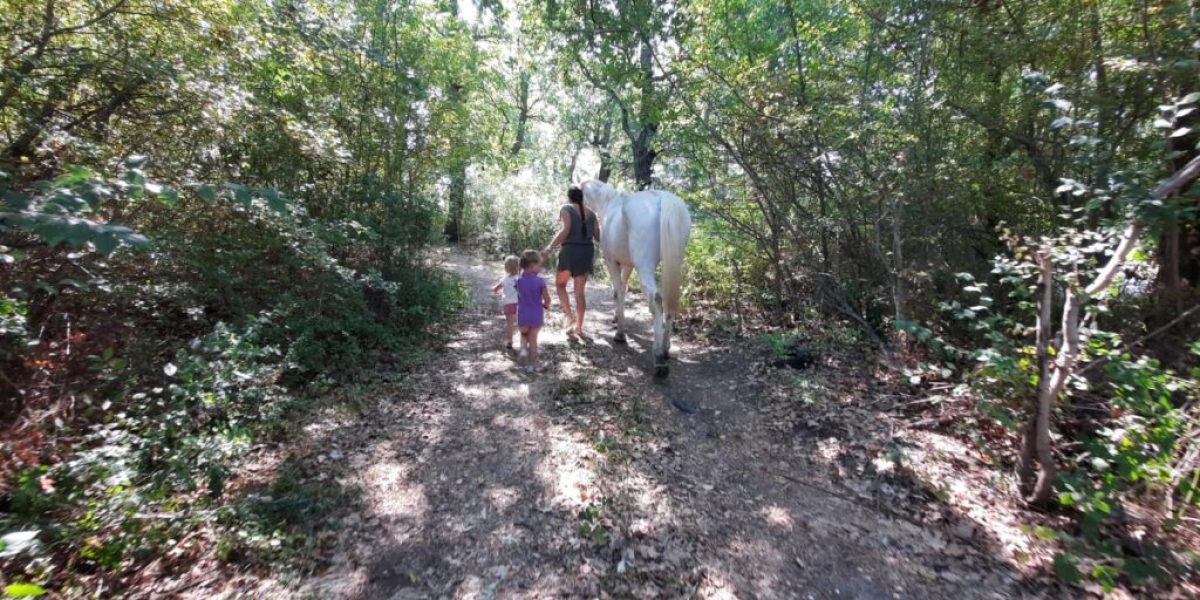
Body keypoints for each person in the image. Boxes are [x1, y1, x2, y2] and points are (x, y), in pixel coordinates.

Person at [542, 186, 600, 338]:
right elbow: (598, 237)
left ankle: (569, 316)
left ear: (569, 197)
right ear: (582, 198)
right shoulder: (592, 214)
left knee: (560, 285)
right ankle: (579, 328)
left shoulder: (566, 208)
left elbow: (565, 230)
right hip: (586, 252)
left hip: (569, 252)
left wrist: (549, 248)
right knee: (579, 293)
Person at [515, 249, 551, 372]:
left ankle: (523, 350)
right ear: (532, 266)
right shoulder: (540, 281)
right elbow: (547, 299)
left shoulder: (518, 281)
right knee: (534, 340)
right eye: (539, 265)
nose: (540, 268)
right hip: (535, 316)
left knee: (524, 334)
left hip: (523, 316)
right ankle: (533, 365)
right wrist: (546, 305)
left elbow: (519, 295)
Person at [491, 255, 520, 351]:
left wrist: (498, 292)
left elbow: (495, 289)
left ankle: (509, 341)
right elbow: (520, 291)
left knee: (509, 323)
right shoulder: (519, 279)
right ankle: (523, 338)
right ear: (518, 267)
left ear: (506, 267)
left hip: (507, 303)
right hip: (517, 304)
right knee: (518, 321)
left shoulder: (505, 279)